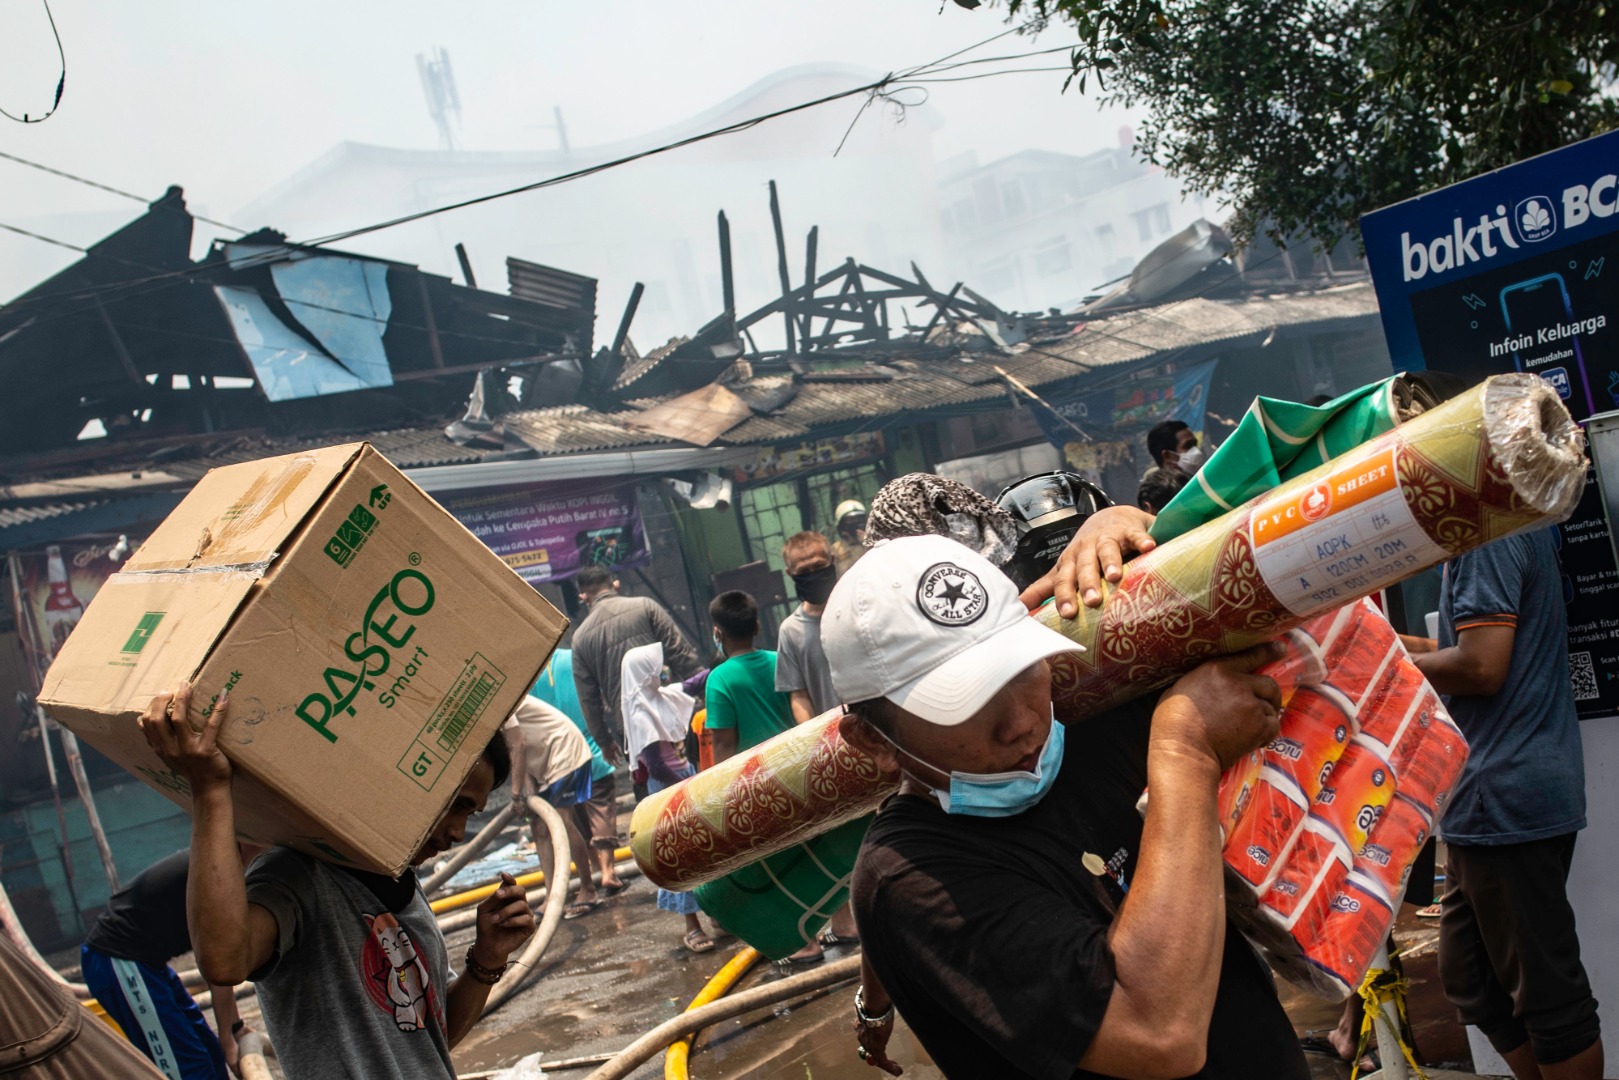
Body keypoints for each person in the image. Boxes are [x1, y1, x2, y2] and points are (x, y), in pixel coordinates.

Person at [828, 534, 1308, 1079]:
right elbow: (1158, 1034)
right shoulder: (910, 879)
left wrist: (1138, 533)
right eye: (963, 703)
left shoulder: (1083, 720)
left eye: (1021, 669)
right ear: (874, 743)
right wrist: (1185, 752)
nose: (1022, 723)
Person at [139, 685, 536, 1080]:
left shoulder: (405, 884)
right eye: (457, 805)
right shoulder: (298, 876)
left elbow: (431, 1034)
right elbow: (225, 960)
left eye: (472, 813)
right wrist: (209, 789)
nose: (459, 833)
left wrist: (487, 958)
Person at [1410, 527, 1602, 1080]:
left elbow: (1481, 667)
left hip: (1507, 794)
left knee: (1548, 998)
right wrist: (1384, 646)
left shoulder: (1484, 536)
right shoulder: (1497, 527)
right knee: (1470, 979)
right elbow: (1463, 647)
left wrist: (1388, 670)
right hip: (1488, 796)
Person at [80, 850, 251, 1079]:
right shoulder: (223, 870)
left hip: (148, 964)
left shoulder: (231, 862)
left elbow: (224, 963)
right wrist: (227, 1038)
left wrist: (233, 1028)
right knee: (187, 1069)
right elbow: (220, 970)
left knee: (209, 1054)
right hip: (118, 960)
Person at [621, 641, 718, 954]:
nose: (661, 671)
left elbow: (691, 684)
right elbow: (658, 765)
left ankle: (716, 914)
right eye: (656, 667)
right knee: (681, 855)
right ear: (643, 673)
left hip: (683, 779)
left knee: (704, 848)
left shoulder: (656, 697)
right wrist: (688, 786)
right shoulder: (640, 713)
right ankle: (692, 926)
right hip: (667, 790)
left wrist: (724, 662)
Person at [570, 565, 701, 762]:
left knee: (649, 787)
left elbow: (589, 699)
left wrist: (604, 742)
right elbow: (681, 654)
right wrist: (706, 691)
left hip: (632, 729)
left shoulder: (580, 639)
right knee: (691, 783)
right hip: (671, 715)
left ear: (584, 597)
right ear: (615, 585)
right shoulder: (645, 606)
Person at [530, 650, 629, 900]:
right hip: (590, 746)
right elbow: (596, 697)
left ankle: (594, 874)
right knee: (601, 808)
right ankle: (606, 871)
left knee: (576, 819)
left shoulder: (530, 674)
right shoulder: (574, 657)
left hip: (559, 757)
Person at [501, 696, 607, 921]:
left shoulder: (498, 697)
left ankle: (588, 889)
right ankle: (552, 897)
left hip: (564, 750)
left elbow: (517, 745)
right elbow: (519, 749)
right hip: (545, 762)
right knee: (539, 828)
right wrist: (528, 793)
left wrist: (516, 794)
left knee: (561, 822)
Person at [703, 590, 793, 765]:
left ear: (717, 634)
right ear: (757, 627)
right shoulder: (781, 660)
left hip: (754, 778)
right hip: (793, 762)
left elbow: (724, 743)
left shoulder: (718, 679)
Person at [777, 532, 842, 726]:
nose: (813, 574)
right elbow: (799, 696)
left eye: (819, 566)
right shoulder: (790, 631)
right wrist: (816, 742)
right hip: (833, 738)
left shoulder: (856, 606)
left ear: (832, 560)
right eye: (804, 571)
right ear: (790, 573)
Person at [1142, 417, 1203, 490]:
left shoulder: (1205, 483)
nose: (1196, 451)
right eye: (1187, 446)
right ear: (1167, 456)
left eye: (1195, 444)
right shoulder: (1161, 496)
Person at [831, 499, 870, 576]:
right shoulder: (835, 550)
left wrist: (867, 543)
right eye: (851, 519)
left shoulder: (873, 542)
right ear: (841, 524)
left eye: (860, 518)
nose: (857, 522)